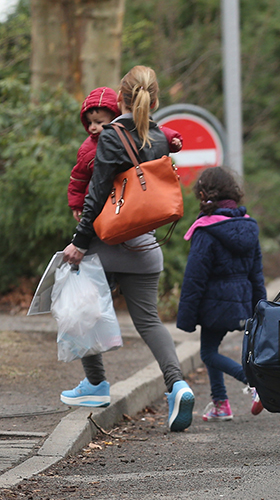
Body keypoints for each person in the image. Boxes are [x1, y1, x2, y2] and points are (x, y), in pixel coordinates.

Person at [61, 65, 196, 432]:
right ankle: (178, 385)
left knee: (80, 309)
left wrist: (78, 243)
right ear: (155, 100)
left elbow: (98, 192)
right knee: (150, 322)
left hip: (106, 245)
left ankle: (94, 384)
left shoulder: (110, 137)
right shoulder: (160, 138)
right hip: (146, 246)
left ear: (119, 99)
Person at [176, 167, 267, 422]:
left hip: (214, 302)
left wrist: (186, 317)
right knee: (210, 348)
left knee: (207, 353)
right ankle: (220, 404)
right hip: (241, 299)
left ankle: (253, 383)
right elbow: (256, 273)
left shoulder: (205, 231)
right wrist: (260, 308)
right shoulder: (249, 225)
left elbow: (195, 277)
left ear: (204, 194)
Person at [68, 86, 183, 222]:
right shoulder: (88, 149)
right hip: (102, 207)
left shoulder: (127, 134)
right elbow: (79, 178)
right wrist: (77, 204)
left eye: (99, 122)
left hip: (131, 201)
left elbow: (152, 131)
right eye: (89, 122)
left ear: (115, 119)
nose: (92, 127)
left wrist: (172, 138)